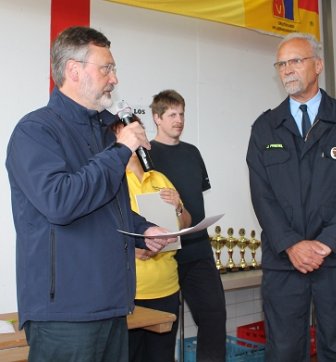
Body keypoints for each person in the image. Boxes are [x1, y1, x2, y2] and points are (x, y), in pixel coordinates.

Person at [5, 26, 176, 362]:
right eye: (106, 68)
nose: (114, 78)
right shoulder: (36, 131)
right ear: (74, 70)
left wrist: (143, 231)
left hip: (112, 306)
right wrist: (120, 149)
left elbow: (108, 207)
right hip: (66, 315)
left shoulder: (103, 133)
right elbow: (61, 202)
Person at [246, 32, 336, 362]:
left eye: (296, 61)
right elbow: (262, 195)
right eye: (281, 63)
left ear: (317, 65)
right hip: (283, 262)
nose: (287, 69)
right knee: (284, 351)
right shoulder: (265, 127)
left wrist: (327, 243)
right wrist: (291, 244)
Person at [149, 89, 227, 362]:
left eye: (182, 114)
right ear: (157, 118)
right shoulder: (146, 156)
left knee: (214, 318)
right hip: (163, 254)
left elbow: (197, 196)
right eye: (172, 114)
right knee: (162, 330)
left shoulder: (193, 152)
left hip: (198, 250)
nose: (179, 119)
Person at [120, 149, 191, 362]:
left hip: (166, 289)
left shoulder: (160, 177)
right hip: (131, 293)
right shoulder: (114, 178)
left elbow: (185, 223)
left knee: (163, 357)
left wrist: (178, 206)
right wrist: (130, 247)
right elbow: (99, 230)